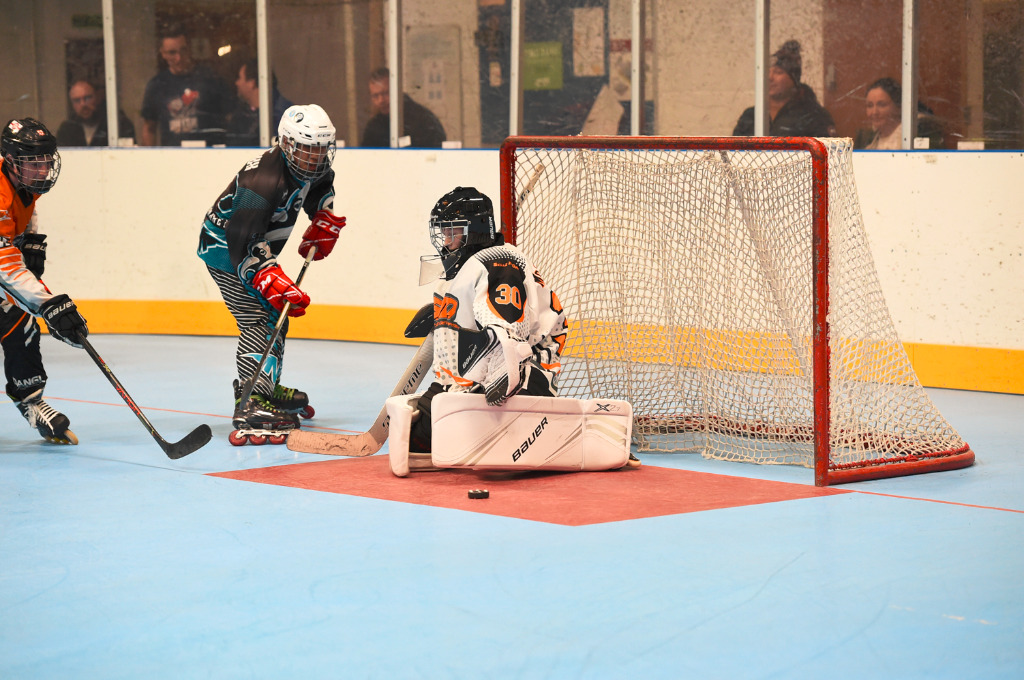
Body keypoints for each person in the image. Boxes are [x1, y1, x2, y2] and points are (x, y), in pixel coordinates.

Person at [405, 186, 612, 460]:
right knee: (414, 439)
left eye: (453, 232)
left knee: (420, 440)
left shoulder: (499, 264)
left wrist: (464, 393)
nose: (446, 241)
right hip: (485, 377)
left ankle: (570, 432)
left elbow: (507, 342)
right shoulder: (484, 262)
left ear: (474, 231)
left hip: (522, 381)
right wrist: (446, 316)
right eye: (444, 232)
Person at [197, 104, 346, 441]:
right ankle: (251, 401)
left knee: (276, 315)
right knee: (258, 320)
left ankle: (264, 386)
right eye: (308, 149)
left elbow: (321, 186)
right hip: (225, 251)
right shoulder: (262, 180)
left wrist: (322, 217)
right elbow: (240, 239)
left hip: (251, 245)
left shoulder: (314, 167)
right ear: (287, 144)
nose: (316, 157)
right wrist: (265, 274)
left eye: (322, 149)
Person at [1, 118, 90, 444]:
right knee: (22, 309)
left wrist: (29, 237)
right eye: (34, 163)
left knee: (19, 322)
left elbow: (24, 210)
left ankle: (30, 400)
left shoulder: (21, 181)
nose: (43, 170)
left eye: (46, 161)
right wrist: (49, 304)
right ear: (11, 160)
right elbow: (4, 264)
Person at [140, 24, 233, 147]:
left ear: (189, 49)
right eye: (172, 53)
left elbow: (230, 119)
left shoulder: (210, 79)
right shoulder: (157, 85)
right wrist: (148, 156)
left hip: (209, 154)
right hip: (171, 156)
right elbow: (149, 128)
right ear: (163, 53)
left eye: (183, 50)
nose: (178, 58)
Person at [732, 40, 837, 138]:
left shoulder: (813, 116)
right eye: (767, 72)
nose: (770, 77)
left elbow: (827, 150)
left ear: (793, 80)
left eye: (778, 72)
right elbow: (733, 149)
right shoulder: (751, 115)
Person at [360, 68, 446, 148]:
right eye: (375, 96)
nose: (381, 100)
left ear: (397, 90)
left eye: (386, 93)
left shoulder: (423, 120)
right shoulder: (374, 127)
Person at [853, 77, 944, 150]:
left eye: (882, 105)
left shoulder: (917, 132)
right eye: (869, 106)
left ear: (898, 107)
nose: (874, 112)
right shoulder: (865, 139)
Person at [226, 58, 294, 147]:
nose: (237, 83)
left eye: (239, 78)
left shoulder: (283, 115)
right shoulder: (242, 113)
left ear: (252, 83)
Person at [55, 80, 136, 147]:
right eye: (77, 100)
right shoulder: (67, 129)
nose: (83, 104)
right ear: (72, 104)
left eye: (87, 98)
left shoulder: (119, 124)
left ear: (97, 97)